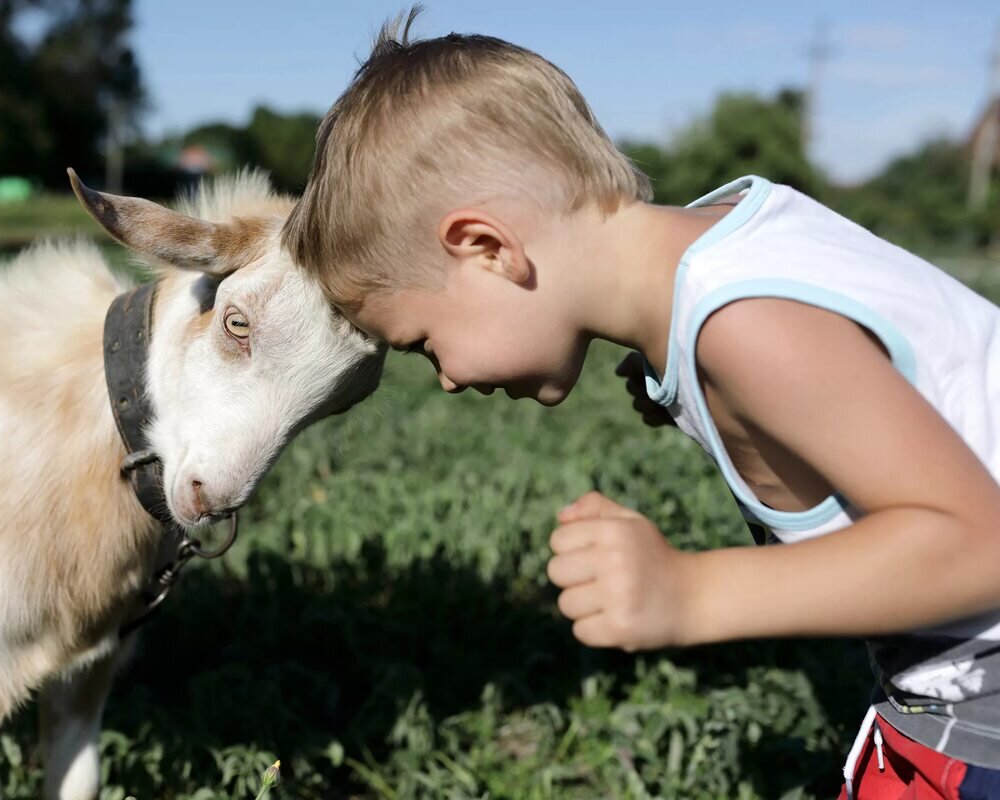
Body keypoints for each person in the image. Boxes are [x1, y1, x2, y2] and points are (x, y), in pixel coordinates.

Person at [279, 12, 1000, 798]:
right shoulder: (728, 253)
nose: (446, 378)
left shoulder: (744, 322)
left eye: (423, 343)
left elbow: (979, 547)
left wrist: (692, 594)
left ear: (487, 248)